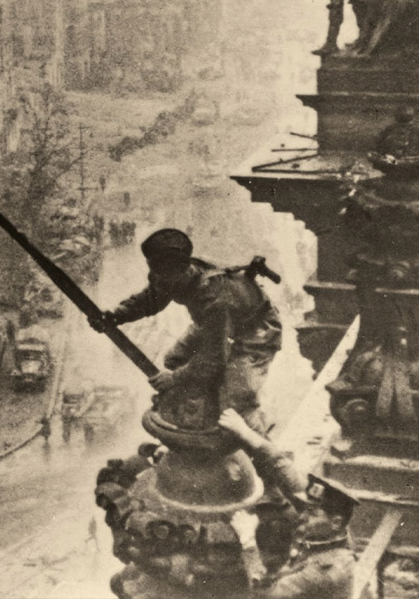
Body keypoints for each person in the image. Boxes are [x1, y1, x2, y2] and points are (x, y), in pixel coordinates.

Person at [91, 229, 282, 434]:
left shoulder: (214, 298)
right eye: (157, 277)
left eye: (165, 280)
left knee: (238, 396)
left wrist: (174, 379)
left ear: (183, 271)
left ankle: (258, 439)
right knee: (174, 359)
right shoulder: (170, 274)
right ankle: (204, 406)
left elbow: (215, 356)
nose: (160, 283)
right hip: (214, 322)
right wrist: (116, 316)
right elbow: (151, 298)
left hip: (255, 329)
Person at [219, 410, 357, 599]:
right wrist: (246, 433)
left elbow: (264, 595)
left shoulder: (326, 570)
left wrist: (248, 541)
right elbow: (281, 467)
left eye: (312, 513)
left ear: (335, 522)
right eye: (307, 509)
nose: (303, 515)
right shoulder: (331, 531)